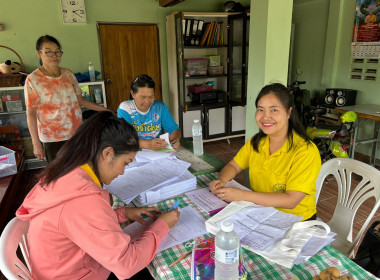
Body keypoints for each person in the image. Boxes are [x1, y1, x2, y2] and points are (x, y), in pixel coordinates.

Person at [16, 111, 180, 280]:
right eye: (125, 163)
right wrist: (162, 225)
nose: (123, 172)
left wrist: (123, 214)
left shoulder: (67, 174)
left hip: (65, 269)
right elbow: (126, 265)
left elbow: (80, 224)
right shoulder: (83, 199)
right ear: (107, 153)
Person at [209, 83, 321, 221]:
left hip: (296, 221)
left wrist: (242, 195)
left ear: (289, 112)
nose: (265, 117)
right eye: (260, 110)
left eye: (274, 110)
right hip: (262, 212)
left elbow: (291, 201)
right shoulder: (257, 142)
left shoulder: (305, 151)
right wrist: (221, 181)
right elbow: (233, 166)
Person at [25, 35, 110, 163]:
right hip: (53, 139)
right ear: (39, 53)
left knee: (81, 169)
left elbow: (81, 101)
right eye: (48, 52)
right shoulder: (33, 79)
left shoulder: (68, 74)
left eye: (57, 51)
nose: (54, 55)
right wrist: (36, 143)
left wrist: (105, 110)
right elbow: (31, 114)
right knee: (59, 176)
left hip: (76, 133)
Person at [117, 74, 181, 151]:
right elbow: (125, 137)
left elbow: (173, 128)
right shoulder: (125, 108)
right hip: (133, 151)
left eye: (151, 97)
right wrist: (147, 144)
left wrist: (175, 138)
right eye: (143, 97)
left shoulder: (160, 107)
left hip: (155, 151)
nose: (147, 102)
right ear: (133, 94)